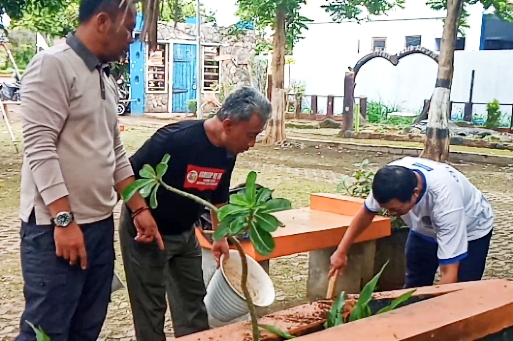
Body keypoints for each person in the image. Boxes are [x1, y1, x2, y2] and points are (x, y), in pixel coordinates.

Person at [16, 1, 162, 340]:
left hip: (98, 227)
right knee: (46, 330)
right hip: (55, 229)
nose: (131, 39)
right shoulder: (52, 66)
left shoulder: (103, 78)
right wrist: (63, 221)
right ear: (101, 22)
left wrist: (138, 208)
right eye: (127, 29)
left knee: (87, 326)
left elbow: (115, 152)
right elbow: (40, 148)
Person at [119, 86, 272, 341]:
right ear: (228, 123)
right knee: (150, 310)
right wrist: (140, 211)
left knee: (193, 305)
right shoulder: (175, 139)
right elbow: (125, 174)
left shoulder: (227, 152)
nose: (251, 144)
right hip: (146, 233)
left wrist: (220, 236)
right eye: (250, 135)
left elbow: (219, 196)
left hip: (185, 233)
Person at [329, 156, 494, 288]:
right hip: (423, 228)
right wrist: (341, 251)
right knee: (415, 283)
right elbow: (365, 214)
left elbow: (449, 273)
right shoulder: (389, 183)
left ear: (415, 193)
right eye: (385, 209)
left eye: (395, 210)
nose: (389, 214)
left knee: (462, 290)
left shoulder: (445, 202)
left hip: (471, 228)